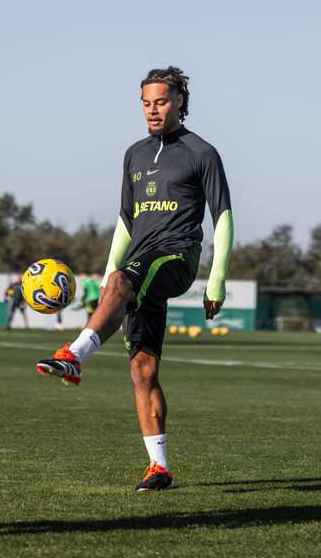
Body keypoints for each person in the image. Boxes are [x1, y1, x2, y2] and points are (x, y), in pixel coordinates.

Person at [36, 67, 233, 492]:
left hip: (177, 256)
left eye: (161, 102)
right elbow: (126, 221)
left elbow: (223, 216)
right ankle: (159, 467)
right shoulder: (135, 154)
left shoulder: (202, 152)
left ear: (179, 100)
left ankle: (75, 354)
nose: (152, 110)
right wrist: (112, 274)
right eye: (146, 103)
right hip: (138, 265)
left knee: (128, 282)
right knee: (143, 371)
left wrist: (216, 279)